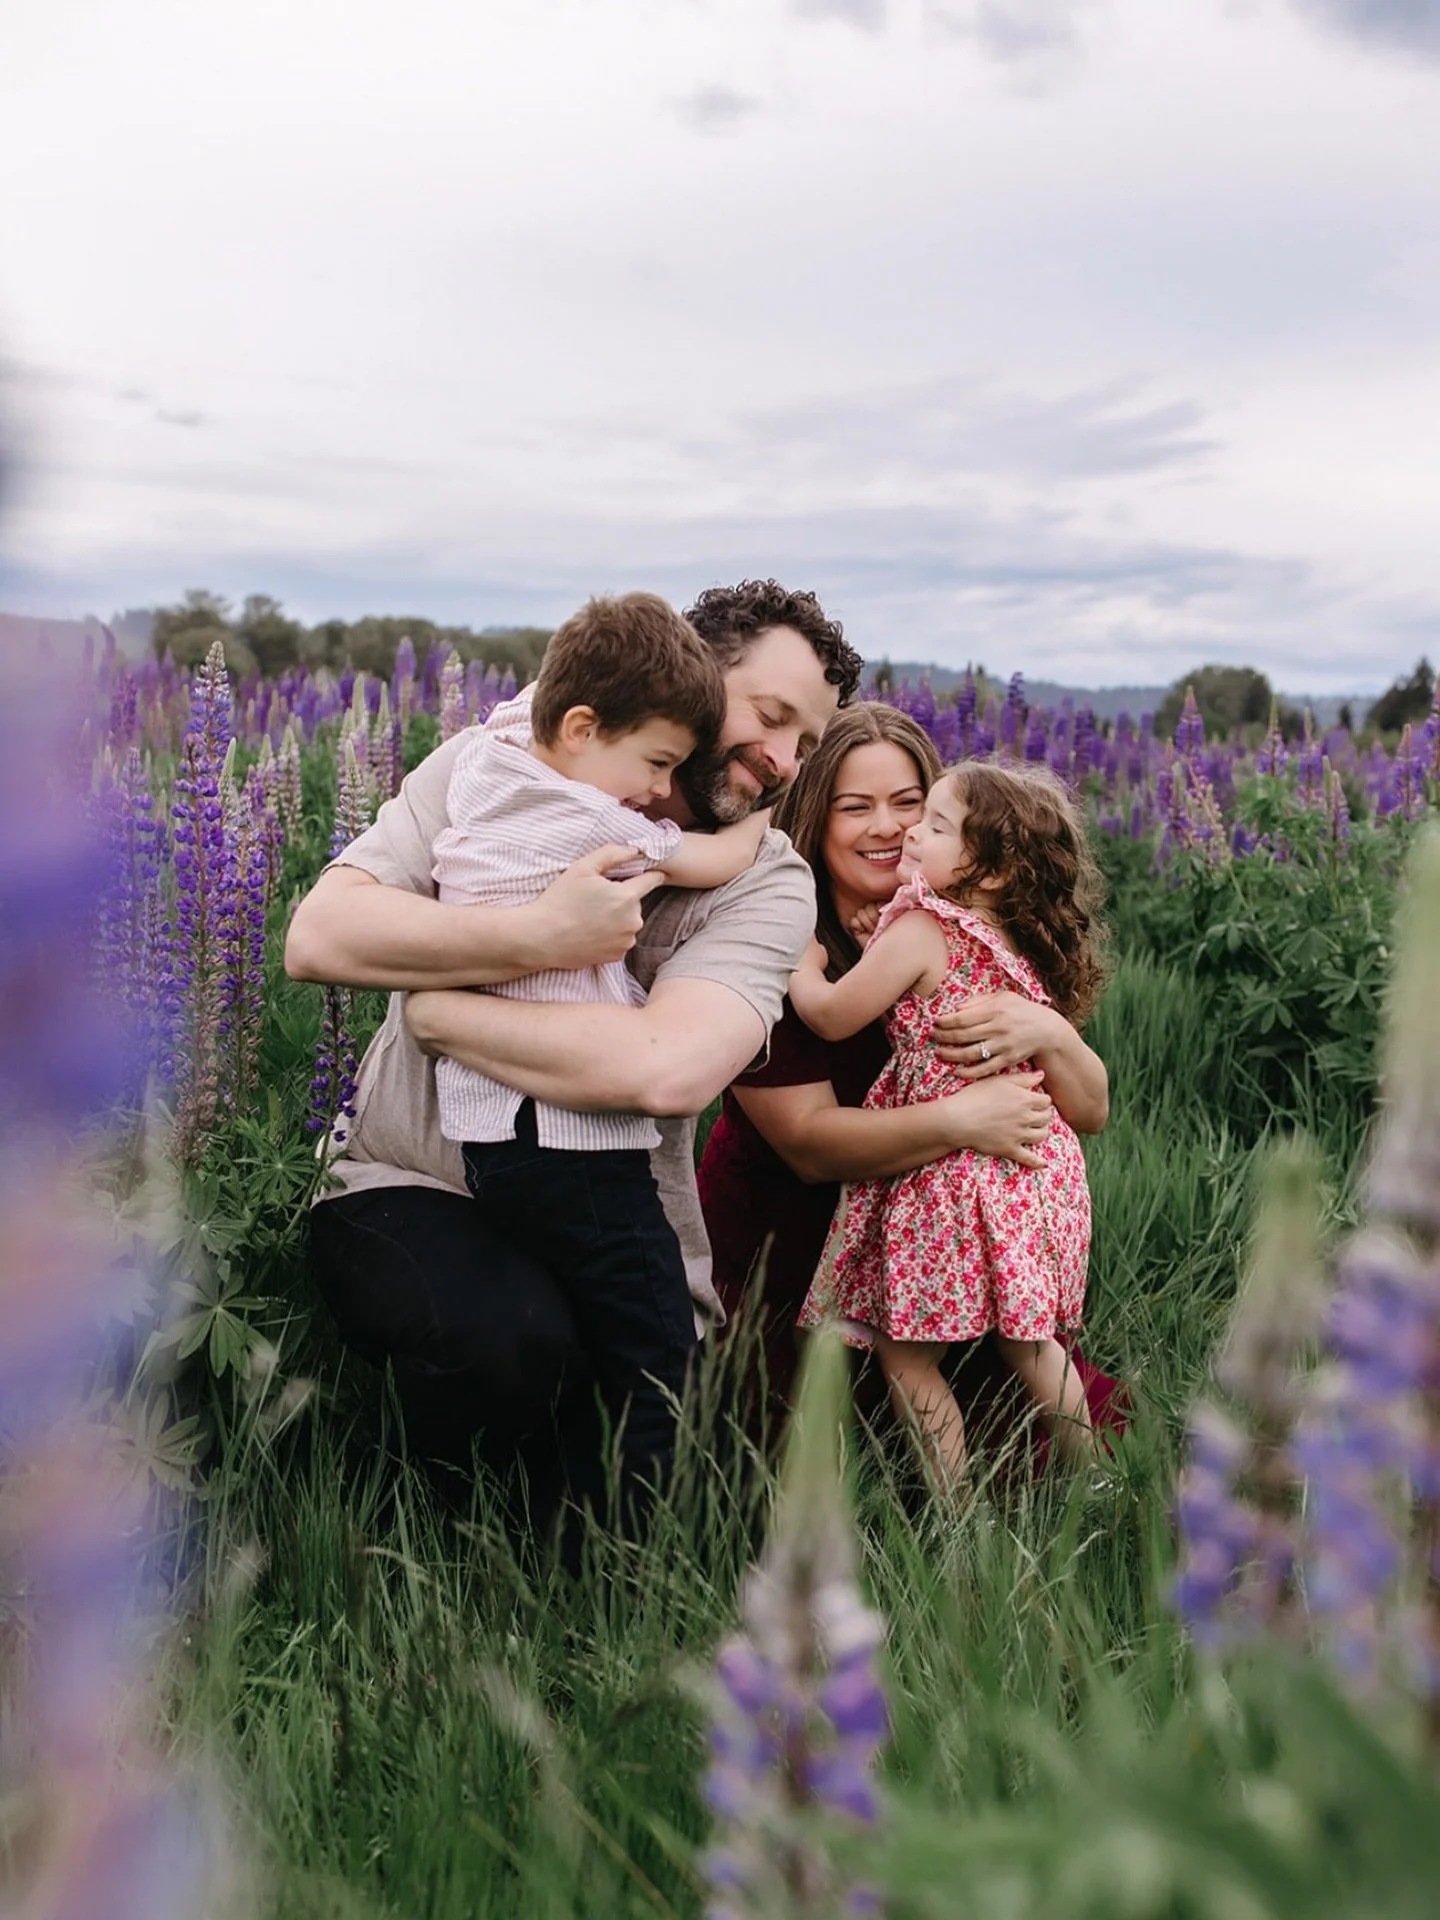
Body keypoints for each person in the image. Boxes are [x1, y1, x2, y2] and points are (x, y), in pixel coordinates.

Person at [284, 580, 861, 1509]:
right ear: (698, 676)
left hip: (607, 1198)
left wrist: (445, 1016)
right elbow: (319, 938)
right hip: (412, 1181)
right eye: (772, 715)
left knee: (668, 1464)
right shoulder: (496, 762)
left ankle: (566, 1584)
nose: (787, 760)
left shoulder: (766, 883)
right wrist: (541, 937)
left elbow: (666, 1066)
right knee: (511, 1338)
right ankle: (411, 1523)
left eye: (808, 741)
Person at [696, 704, 1122, 1462]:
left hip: (944, 1234)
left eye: (912, 807)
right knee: (815, 1453)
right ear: (811, 814)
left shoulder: (949, 927)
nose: (892, 829)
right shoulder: (778, 927)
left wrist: (1051, 1031)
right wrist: (963, 1120)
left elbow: (1090, 1109)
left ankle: (1001, 1516)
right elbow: (810, 1147)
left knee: (1009, 1438)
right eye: (856, 807)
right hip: (796, 1245)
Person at [431, 593, 771, 1515]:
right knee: (660, 1352)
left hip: (492, 1143)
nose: (659, 789)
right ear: (580, 727)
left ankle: (561, 1528)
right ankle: (639, 1562)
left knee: (591, 1336)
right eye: (656, 763)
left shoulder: (487, 768)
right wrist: (762, 832)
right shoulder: (588, 821)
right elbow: (706, 862)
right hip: (574, 1147)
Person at [788, 758, 1107, 1489]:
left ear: (987, 871)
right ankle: (1098, 1483)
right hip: (1035, 1166)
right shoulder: (1015, 939)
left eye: (932, 824)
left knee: (906, 1355)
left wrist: (803, 969)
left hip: (953, 1172)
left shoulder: (922, 928)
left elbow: (836, 1017)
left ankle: (956, 1512)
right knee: (1031, 1344)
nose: (908, 833)